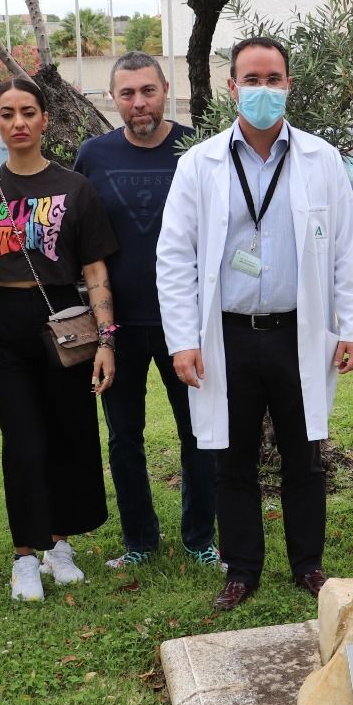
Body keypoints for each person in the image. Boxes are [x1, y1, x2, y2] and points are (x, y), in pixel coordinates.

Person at [156, 36, 353, 612]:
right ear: (232, 88)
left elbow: (348, 250)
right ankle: (242, 569)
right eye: (252, 80)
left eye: (273, 79)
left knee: (305, 455)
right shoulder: (197, 163)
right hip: (226, 335)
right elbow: (175, 256)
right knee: (234, 457)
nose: (263, 90)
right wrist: (182, 340)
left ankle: (309, 565)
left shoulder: (321, 159)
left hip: (298, 331)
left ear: (289, 86)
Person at [0, 79, 120, 600]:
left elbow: (95, 268)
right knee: (24, 441)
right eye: (8, 113)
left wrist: (107, 339)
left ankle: (58, 542)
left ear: (44, 120)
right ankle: (25, 556)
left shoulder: (74, 187)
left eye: (28, 112)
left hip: (64, 317)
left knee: (67, 436)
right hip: (4, 321)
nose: (19, 123)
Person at [73, 53, 219, 571]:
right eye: (127, 93)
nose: (139, 103)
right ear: (113, 98)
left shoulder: (198, 151)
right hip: (119, 327)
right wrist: (100, 329)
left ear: (165, 90)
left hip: (189, 325)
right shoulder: (93, 155)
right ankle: (139, 541)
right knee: (124, 438)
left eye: (148, 91)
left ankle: (201, 536)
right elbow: (81, 242)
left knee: (199, 433)